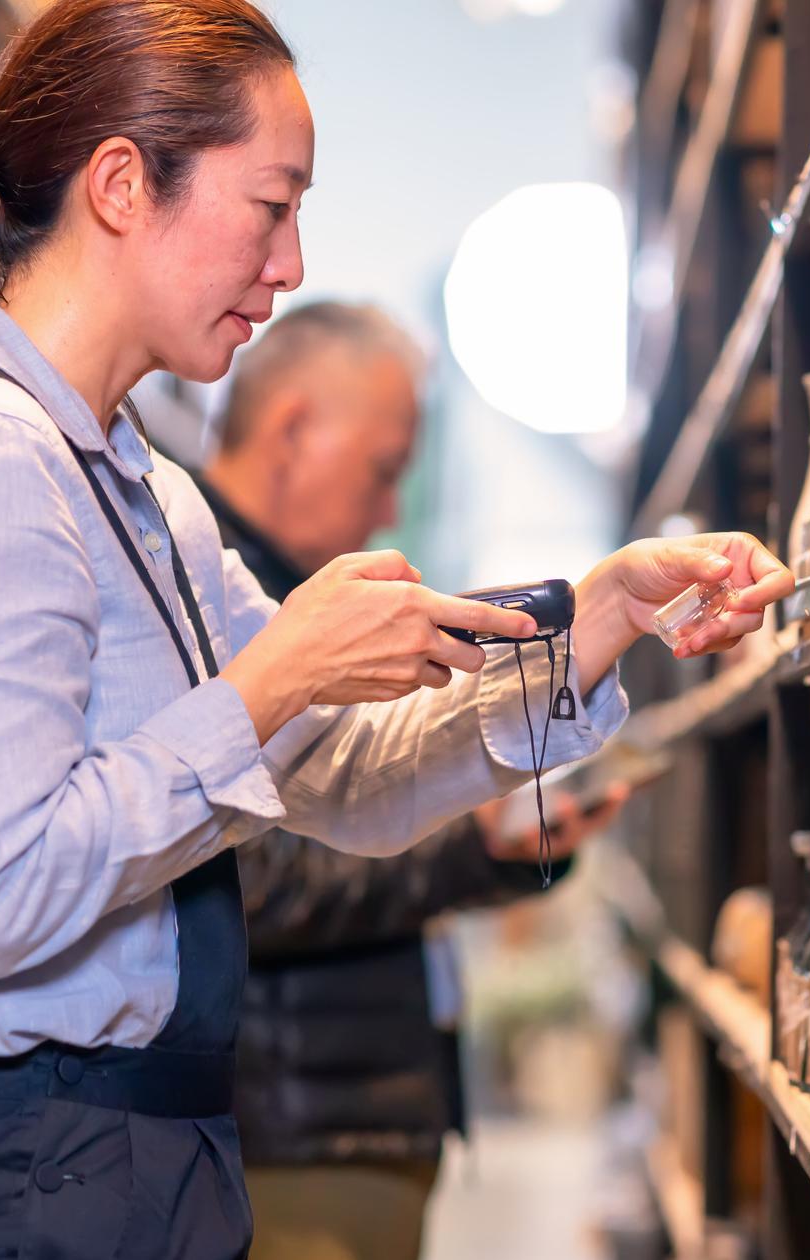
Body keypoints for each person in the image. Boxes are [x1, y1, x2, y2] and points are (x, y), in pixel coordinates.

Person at [0, 3, 791, 1258]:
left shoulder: (142, 490)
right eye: (270, 204)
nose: (293, 261)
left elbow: (345, 776)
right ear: (124, 186)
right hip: (8, 1171)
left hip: (133, 1149)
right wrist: (272, 679)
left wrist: (600, 615)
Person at [200, 301, 622, 1260]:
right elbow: (247, 878)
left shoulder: (277, 593)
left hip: (337, 1115)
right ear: (294, 428)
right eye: (384, 470)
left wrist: (491, 833)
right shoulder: (206, 592)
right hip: (291, 1127)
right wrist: (471, 850)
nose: (390, 507)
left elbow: (352, 787)